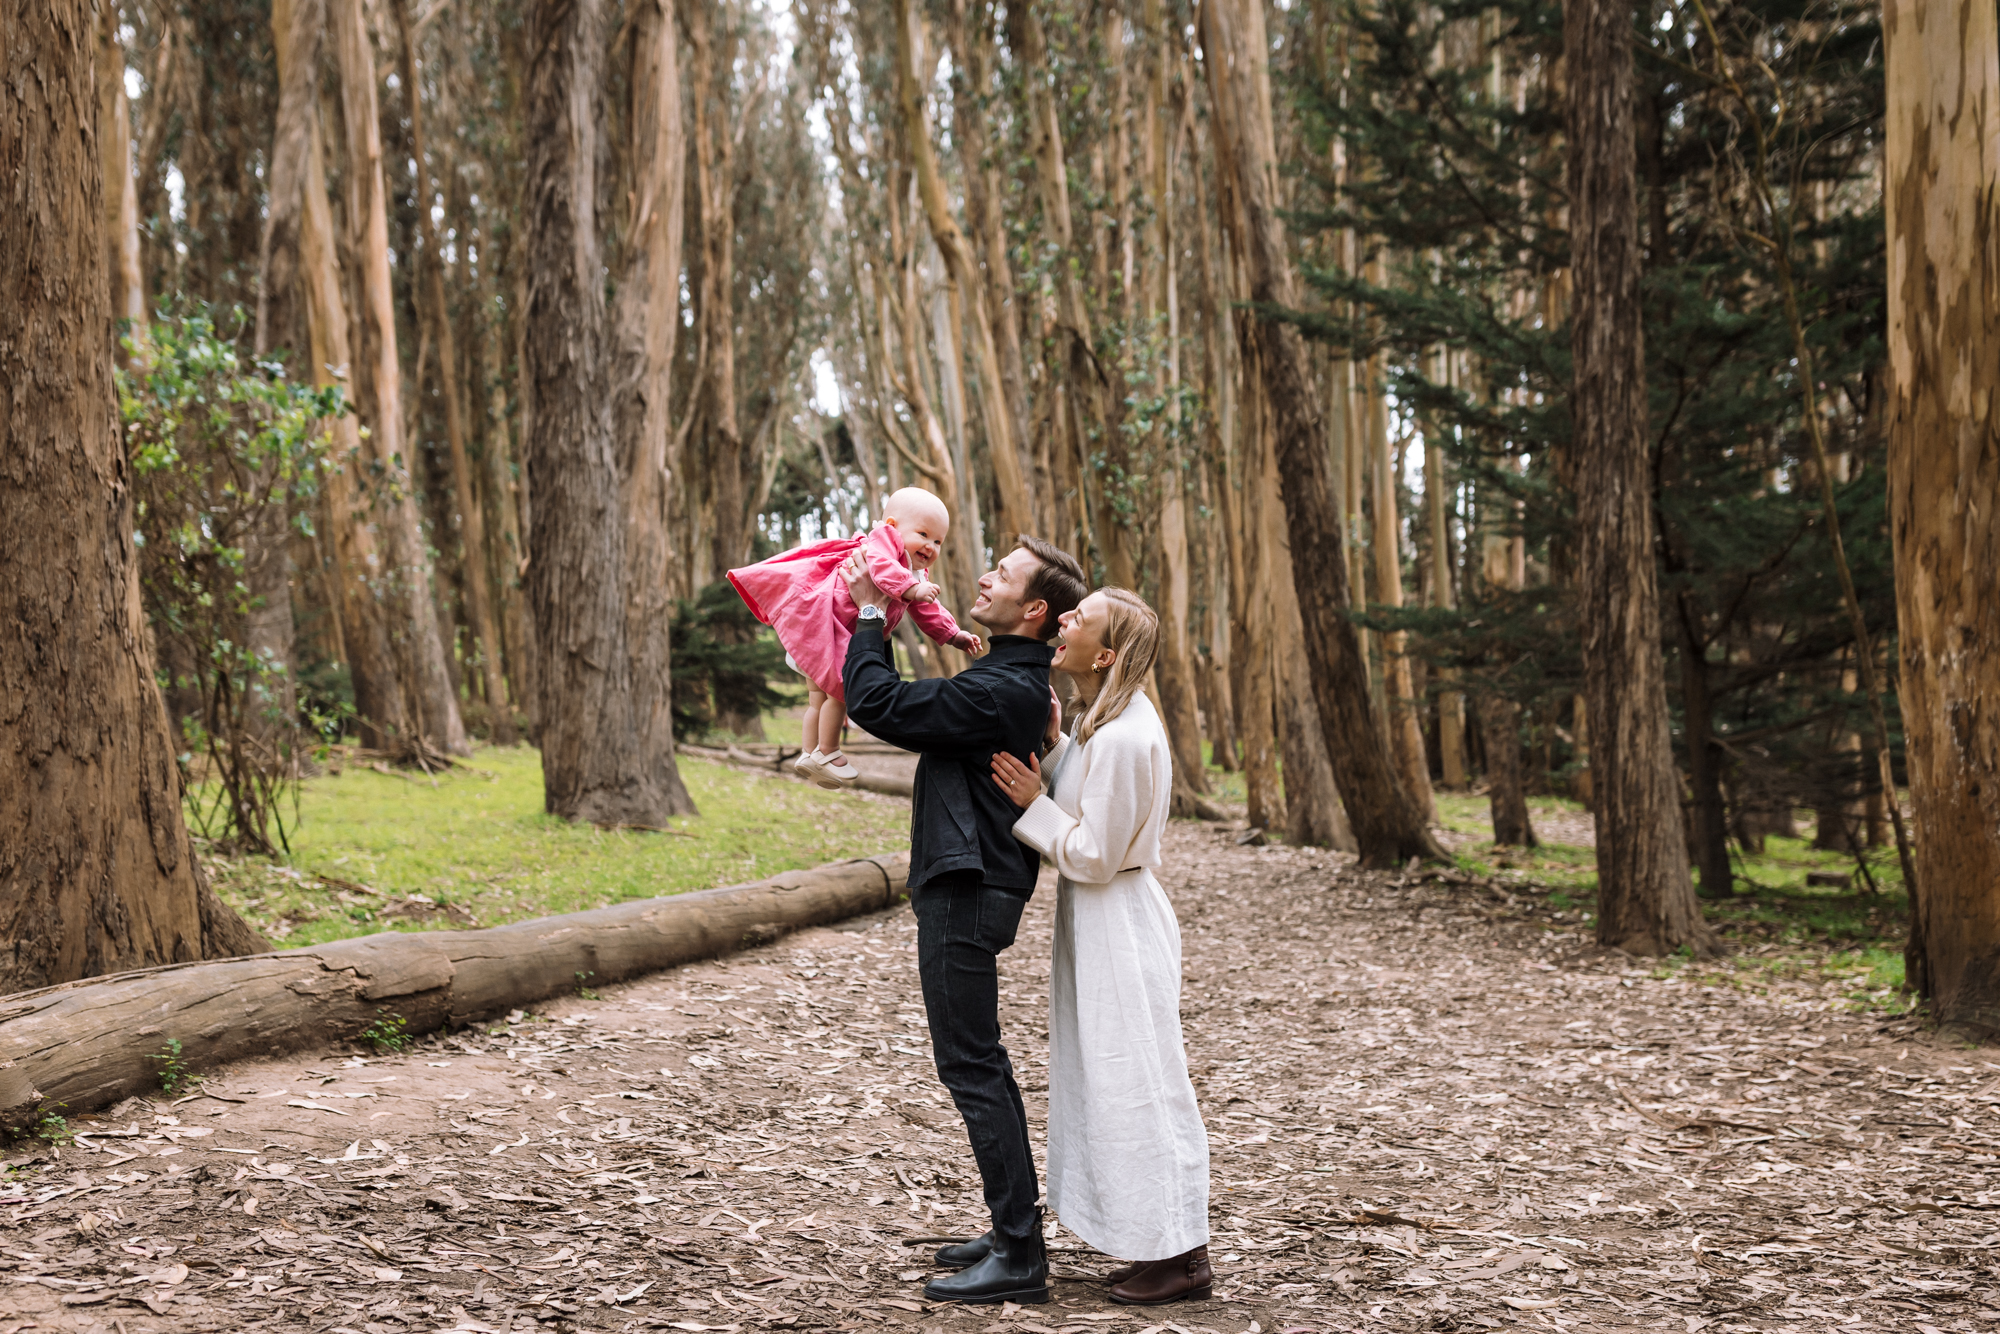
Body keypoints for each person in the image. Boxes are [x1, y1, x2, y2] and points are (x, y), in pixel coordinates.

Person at [839, 535, 1088, 1306]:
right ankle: (1013, 1228)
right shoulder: (1009, 679)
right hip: (969, 880)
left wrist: (873, 615)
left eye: (1003, 574)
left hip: (968, 885)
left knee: (971, 1065)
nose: (985, 576)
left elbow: (879, 703)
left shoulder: (1008, 688)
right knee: (983, 1063)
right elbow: (921, 702)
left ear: (1035, 609)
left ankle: (1020, 1255)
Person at [989, 589, 1215, 1307]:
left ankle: (1180, 1258)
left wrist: (1032, 804)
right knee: (1112, 1079)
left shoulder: (1122, 735)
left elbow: (1092, 852)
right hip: (1099, 921)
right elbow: (1091, 804)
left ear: (1107, 654)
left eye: (1078, 619)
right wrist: (1058, 747)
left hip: (1118, 918)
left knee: (1138, 1084)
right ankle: (1156, 1240)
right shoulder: (1101, 724)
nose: (1062, 620)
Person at [727, 487, 981, 789]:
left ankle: (809, 753)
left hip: (820, 635)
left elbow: (928, 611)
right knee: (842, 691)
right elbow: (881, 569)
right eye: (924, 534)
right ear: (892, 526)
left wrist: (953, 634)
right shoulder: (884, 545)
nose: (930, 546)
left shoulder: (914, 573)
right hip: (828, 631)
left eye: (938, 541)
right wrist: (912, 590)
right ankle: (829, 751)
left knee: (817, 701)